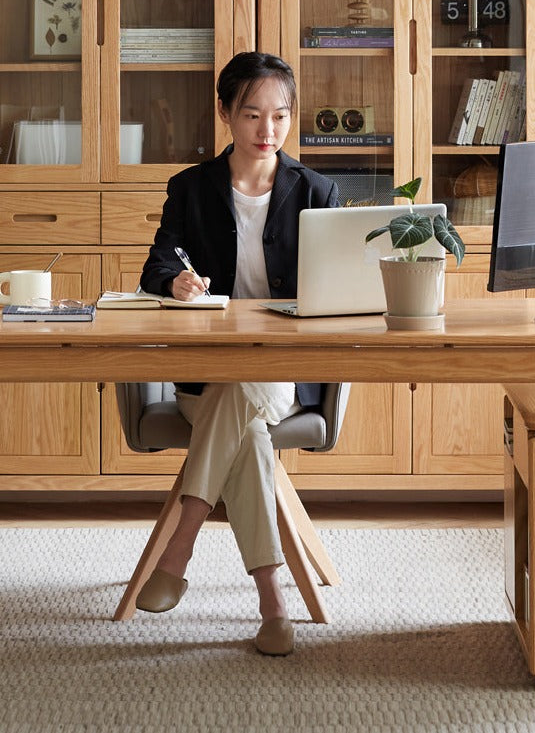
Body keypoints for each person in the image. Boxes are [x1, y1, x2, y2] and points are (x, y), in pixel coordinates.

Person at [135, 52, 339, 656]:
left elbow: (340, 289)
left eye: (279, 116)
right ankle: (273, 603)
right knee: (244, 429)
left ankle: (181, 545)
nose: (267, 130)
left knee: (246, 394)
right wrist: (174, 280)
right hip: (209, 380)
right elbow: (157, 265)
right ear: (225, 113)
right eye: (252, 114)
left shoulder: (316, 190)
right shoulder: (191, 188)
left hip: (284, 375)